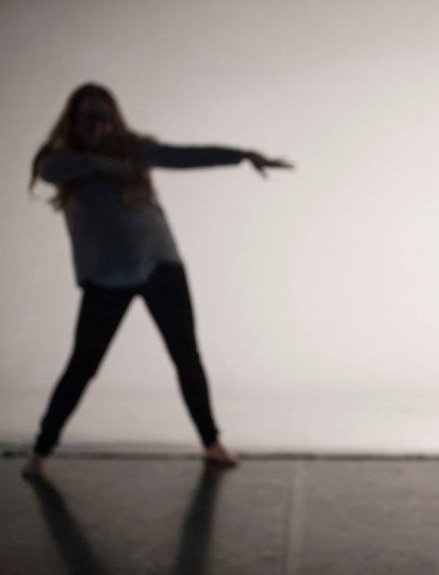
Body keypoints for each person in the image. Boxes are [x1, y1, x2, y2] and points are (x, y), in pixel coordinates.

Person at [22, 83, 293, 478]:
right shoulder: (59, 159)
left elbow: (184, 156)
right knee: (83, 365)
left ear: (114, 120)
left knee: (186, 355)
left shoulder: (135, 151)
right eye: (89, 117)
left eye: (105, 117)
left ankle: (212, 443)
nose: (98, 125)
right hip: (105, 277)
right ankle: (41, 452)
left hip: (159, 265)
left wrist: (242, 156)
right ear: (73, 120)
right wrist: (105, 164)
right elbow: (49, 170)